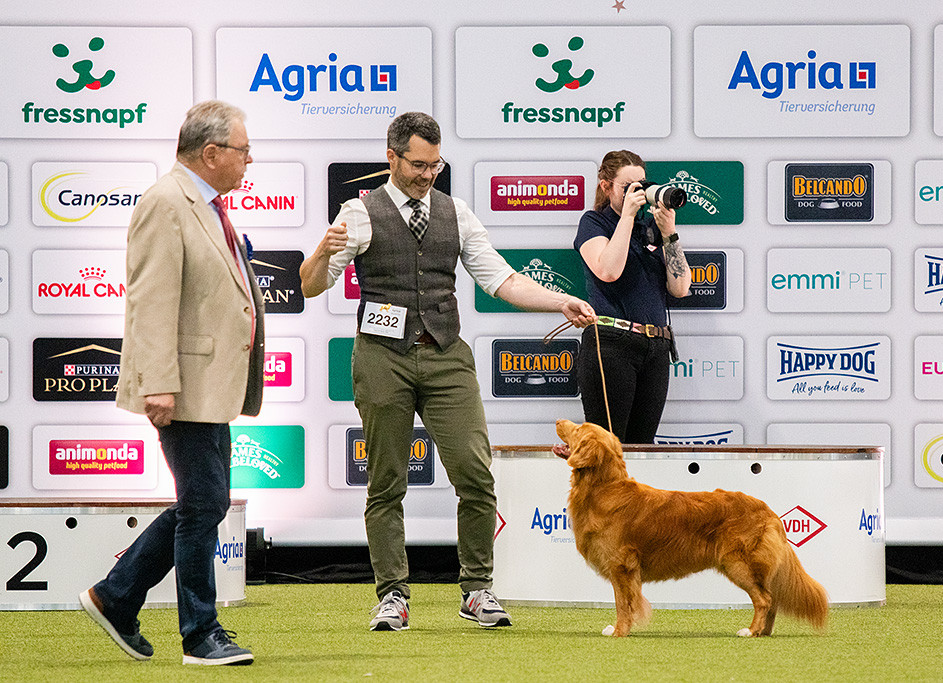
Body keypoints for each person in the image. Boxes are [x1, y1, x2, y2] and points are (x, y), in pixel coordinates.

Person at [300, 111, 596, 632]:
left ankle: (477, 589)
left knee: (476, 474)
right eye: (418, 164)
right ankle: (392, 596)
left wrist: (559, 301)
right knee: (386, 483)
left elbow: (501, 279)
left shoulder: (455, 212)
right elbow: (310, 285)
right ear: (391, 158)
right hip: (381, 356)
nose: (428, 174)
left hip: (445, 355)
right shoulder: (359, 212)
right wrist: (320, 254)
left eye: (435, 165)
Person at [79, 100, 264, 666]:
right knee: (203, 503)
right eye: (243, 150)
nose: (249, 160)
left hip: (207, 386)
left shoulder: (204, 205)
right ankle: (199, 634)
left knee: (204, 502)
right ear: (210, 153)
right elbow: (150, 300)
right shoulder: (166, 202)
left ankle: (116, 596)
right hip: (182, 386)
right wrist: (158, 381)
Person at [573, 150, 691, 444]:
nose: (638, 192)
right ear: (606, 186)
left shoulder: (650, 228)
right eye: (628, 187)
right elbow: (608, 271)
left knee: (642, 448)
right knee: (608, 447)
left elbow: (680, 288)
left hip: (656, 346)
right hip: (612, 344)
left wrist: (669, 233)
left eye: (642, 184)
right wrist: (626, 215)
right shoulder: (594, 222)